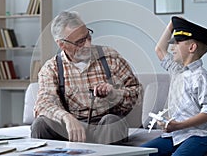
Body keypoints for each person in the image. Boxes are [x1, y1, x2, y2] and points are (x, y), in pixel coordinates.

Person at [31, 11, 143, 144]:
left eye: (88, 37)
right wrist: (66, 118)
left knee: (112, 122)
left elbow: (137, 93)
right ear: (62, 44)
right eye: (80, 42)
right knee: (40, 124)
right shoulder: (51, 68)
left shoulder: (110, 57)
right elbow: (43, 104)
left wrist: (114, 94)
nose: (88, 44)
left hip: (104, 125)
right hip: (71, 128)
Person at [140, 16, 207, 156]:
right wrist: (172, 24)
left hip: (198, 136)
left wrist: (178, 125)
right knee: (139, 153)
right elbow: (159, 49)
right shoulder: (176, 70)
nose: (172, 47)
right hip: (174, 135)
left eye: (177, 43)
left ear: (192, 47)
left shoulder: (202, 77)